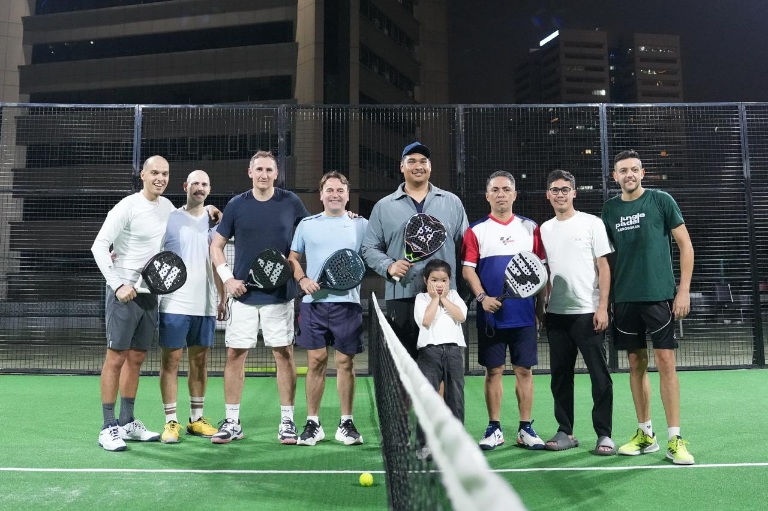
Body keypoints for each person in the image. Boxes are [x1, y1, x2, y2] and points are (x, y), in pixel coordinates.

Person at [601, 150, 695, 465]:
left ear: (643, 173)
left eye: (633, 169)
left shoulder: (661, 201)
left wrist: (682, 292)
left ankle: (675, 438)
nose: (628, 174)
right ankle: (645, 434)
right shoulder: (609, 209)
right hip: (625, 299)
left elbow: (686, 245)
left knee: (666, 362)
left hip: (659, 296)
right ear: (614, 176)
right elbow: (605, 260)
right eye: (622, 170)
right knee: (635, 363)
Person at [210, 150, 309, 445]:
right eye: (259, 169)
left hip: (280, 295)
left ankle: (288, 422)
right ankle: (231, 422)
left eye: (269, 170)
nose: (264, 174)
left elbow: (309, 233)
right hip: (243, 295)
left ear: (276, 174)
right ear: (250, 172)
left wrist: (347, 216)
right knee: (234, 355)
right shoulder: (236, 205)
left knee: (284, 354)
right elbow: (216, 246)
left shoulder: (290, 202)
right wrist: (228, 279)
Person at [91, 155, 173, 451]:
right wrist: (117, 284)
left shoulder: (167, 208)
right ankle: (107, 426)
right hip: (124, 293)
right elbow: (99, 245)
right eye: (154, 173)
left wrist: (210, 211)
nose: (160, 178)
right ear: (143, 174)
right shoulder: (127, 206)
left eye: (164, 174)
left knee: (137, 359)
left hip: (151, 294)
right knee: (116, 358)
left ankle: (127, 422)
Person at [461, 170, 547, 451]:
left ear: (514, 195)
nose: (500, 194)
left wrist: (539, 311)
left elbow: (541, 272)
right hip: (491, 317)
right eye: (495, 189)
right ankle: (494, 428)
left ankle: (525, 429)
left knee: (524, 371)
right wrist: (483, 297)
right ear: (487, 196)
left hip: (523, 317)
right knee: (493, 371)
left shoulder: (530, 228)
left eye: (506, 189)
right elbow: (468, 270)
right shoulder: (476, 231)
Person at [361, 141, 468, 360]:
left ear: (430, 166)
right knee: (405, 366)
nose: (418, 166)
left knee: (442, 366)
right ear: (402, 167)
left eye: (423, 161)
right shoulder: (384, 206)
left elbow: (465, 247)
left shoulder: (452, 202)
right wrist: (389, 266)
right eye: (411, 161)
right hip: (402, 295)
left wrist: (461, 291)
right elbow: (369, 247)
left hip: (443, 297)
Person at [288, 171, 368, 447]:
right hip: (313, 305)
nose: (335, 194)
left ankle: (346, 423)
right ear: (321, 194)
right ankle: (313, 423)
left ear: (347, 195)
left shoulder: (361, 225)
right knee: (316, 361)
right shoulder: (307, 225)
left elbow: (373, 253)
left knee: (346, 363)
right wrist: (302, 279)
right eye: (329, 190)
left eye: (340, 190)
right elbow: (293, 257)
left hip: (348, 304)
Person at [539, 169, 615, 455]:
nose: (560, 194)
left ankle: (604, 435)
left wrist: (602, 307)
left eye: (565, 189)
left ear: (574, 193)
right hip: (556, 315)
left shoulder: (591, 223)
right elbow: (543, 273)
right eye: (555, 189)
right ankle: (565, 431)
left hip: (588, 313)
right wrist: (541, 308)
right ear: (548, 195)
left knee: (599, 376)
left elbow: (604, 267)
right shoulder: (544, 229)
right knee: (560, 375)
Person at [158, 170, 227, 443]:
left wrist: (222, 297)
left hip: (206, 302)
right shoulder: (170, 218)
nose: (199, 188)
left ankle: (196, 419)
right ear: (185, 186)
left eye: (205, 184)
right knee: (171, 362)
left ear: (209, 189)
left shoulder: (216, 223)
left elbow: (216, 260)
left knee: (200, 362)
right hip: (174, 302)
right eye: (195, 183)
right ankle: (170, 421)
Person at [413, 259, 467, 431]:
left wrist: (444, 299)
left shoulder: (454, 296)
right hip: (429, 352)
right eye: (434, 280)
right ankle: (425, 443)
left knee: (456, 398)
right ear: (425, 281)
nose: (439, 284)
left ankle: (456, 441)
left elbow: (461, 316)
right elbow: (426, 320)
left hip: (453, 352)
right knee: (428, 398)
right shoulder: (421, 298)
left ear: (449, 281)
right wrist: (436, 298)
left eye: (444, 280)